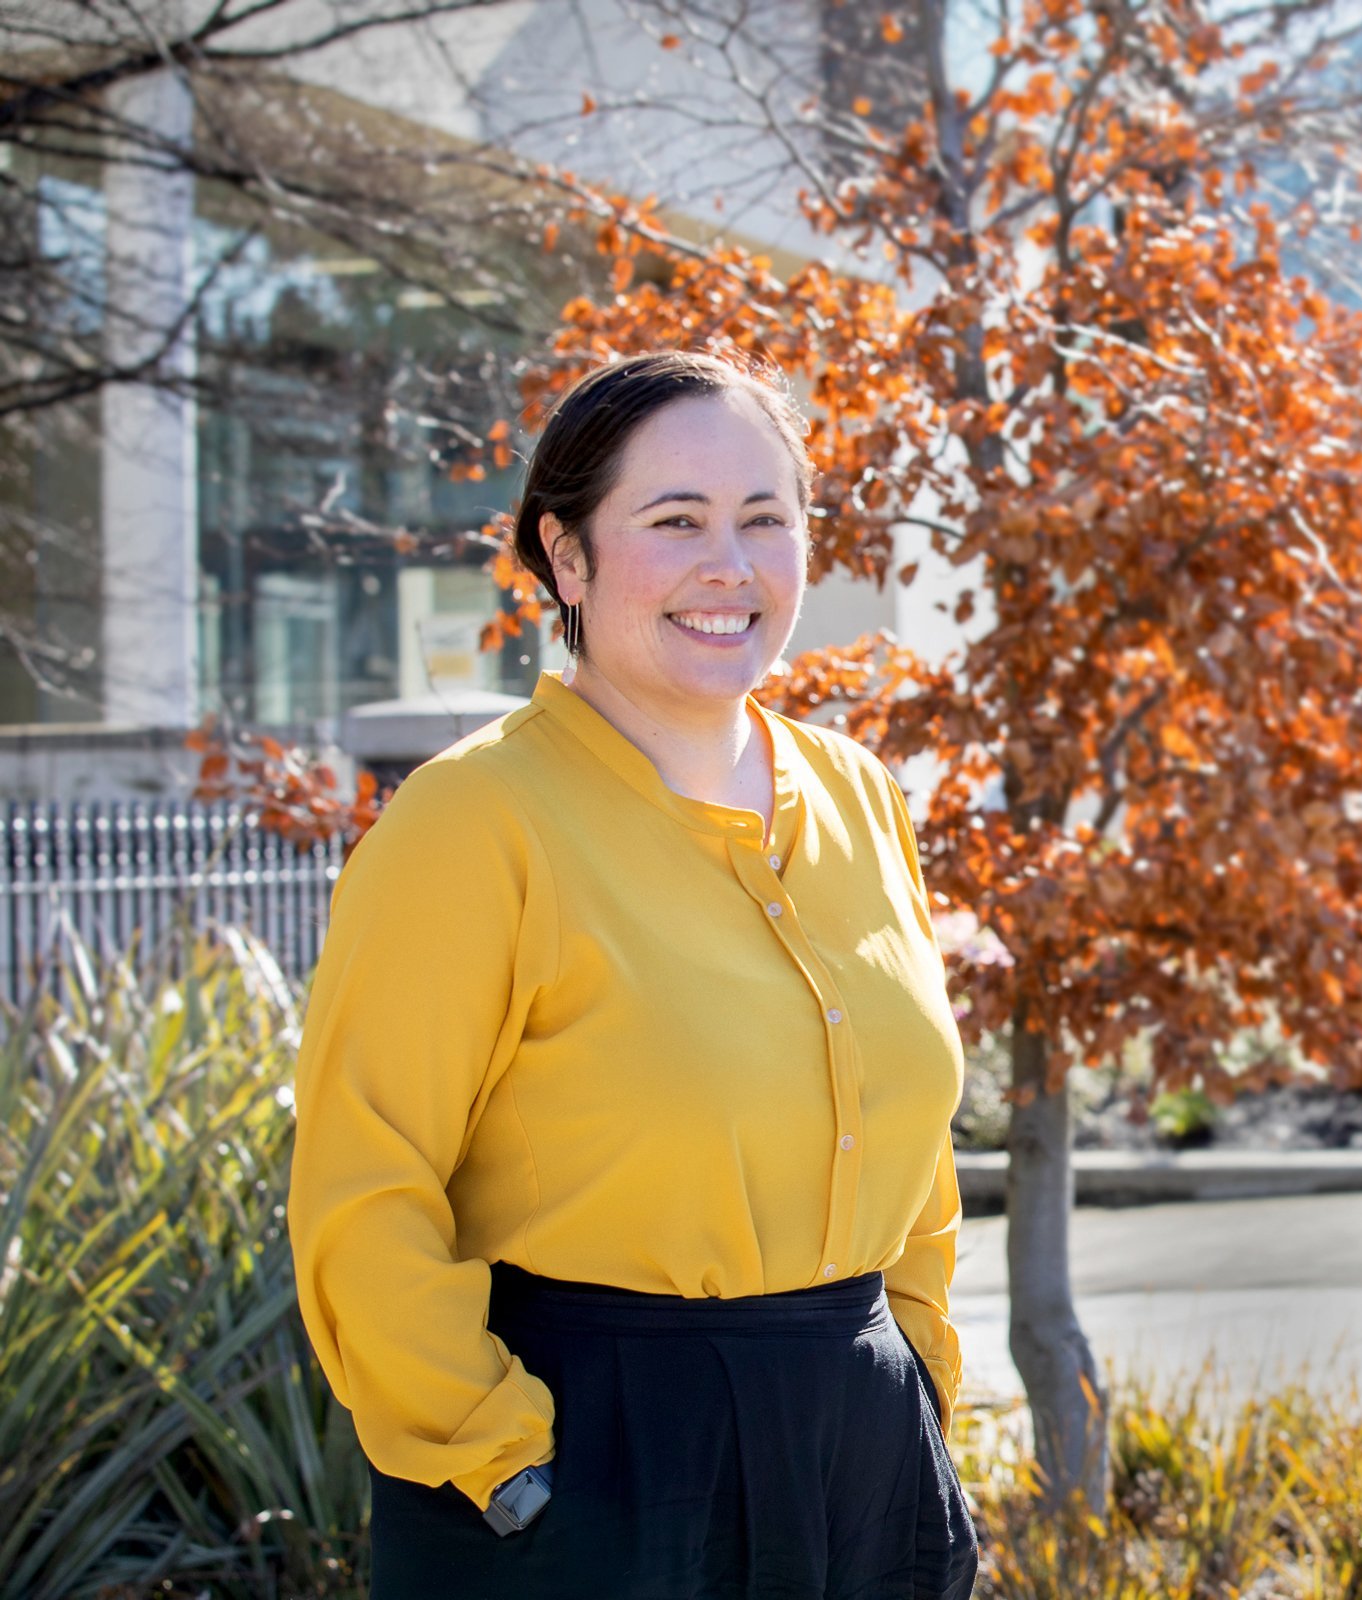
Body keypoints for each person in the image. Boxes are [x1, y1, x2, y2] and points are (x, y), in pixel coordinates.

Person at [289, 350, 978, 1599]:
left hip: (864, 1450)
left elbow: (915, 1133)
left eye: (766, 520)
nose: (732, 565)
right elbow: (363, 1183)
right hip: (590, 1466)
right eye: (676, 522)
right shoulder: (473, 821)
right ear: (567, 556)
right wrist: (501, 1461)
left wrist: (918, 1370)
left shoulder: (862, 795)